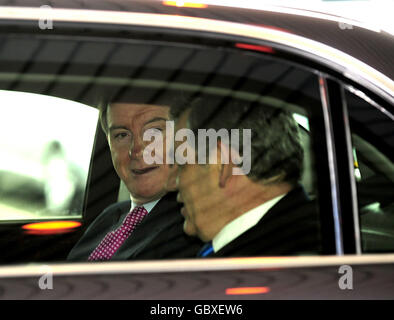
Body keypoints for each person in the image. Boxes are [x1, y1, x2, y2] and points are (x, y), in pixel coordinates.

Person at [172, 97, 321, 257]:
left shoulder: (280, 261)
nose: (173, 183)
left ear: (223, 164)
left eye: (181, 165)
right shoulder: (315, 236)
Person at [68, 102, 202, 261]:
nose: (137, 150)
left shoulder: (192, 224)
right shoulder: (109, 216)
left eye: (154, 132)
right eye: (122, 135)